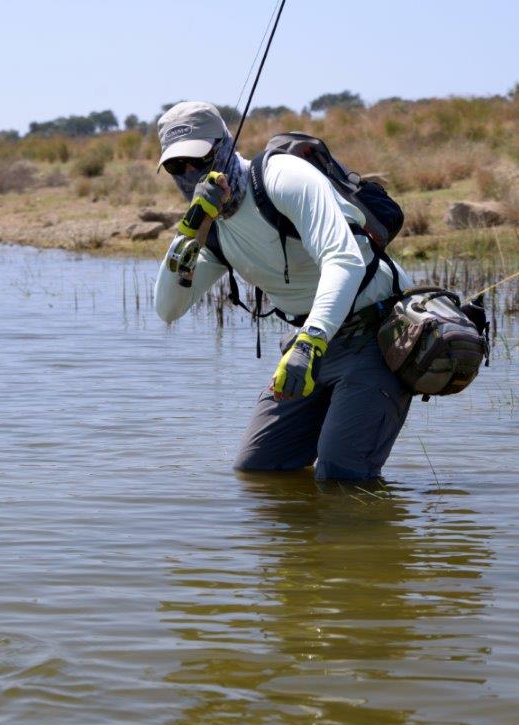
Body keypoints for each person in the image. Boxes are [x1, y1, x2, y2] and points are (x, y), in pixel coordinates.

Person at [154, 101, 414, 482]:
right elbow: (168, 308)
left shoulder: (282, 177)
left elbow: (343, 258)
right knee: (258, 471)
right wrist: (188, 233)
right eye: (178, 166)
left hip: (374, 333)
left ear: (225, 147)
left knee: (341, 476)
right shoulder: (212, 230)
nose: (191, 173)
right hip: (311, 344)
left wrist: (309, 342)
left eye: (201, 158)